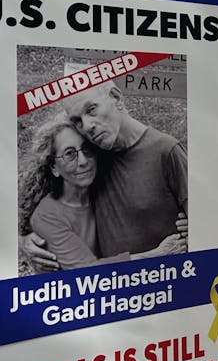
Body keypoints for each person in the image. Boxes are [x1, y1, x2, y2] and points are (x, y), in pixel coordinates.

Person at [23, 82, 188, 270]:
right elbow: (49, 212)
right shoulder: (92, 159)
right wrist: (28, 240)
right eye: (77, 120)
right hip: (110, 290)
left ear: (116, 98)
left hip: (163, 286)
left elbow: (207, 221)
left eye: (92, 109)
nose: (87, 126)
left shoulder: (166, 151)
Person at [19, 114, 134, 271]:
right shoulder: (46, 217)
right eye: (69, 154)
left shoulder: (103, 189)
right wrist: (158, 254)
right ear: (54, 167)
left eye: (86, 149)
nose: (83, 161)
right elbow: (88, 271)